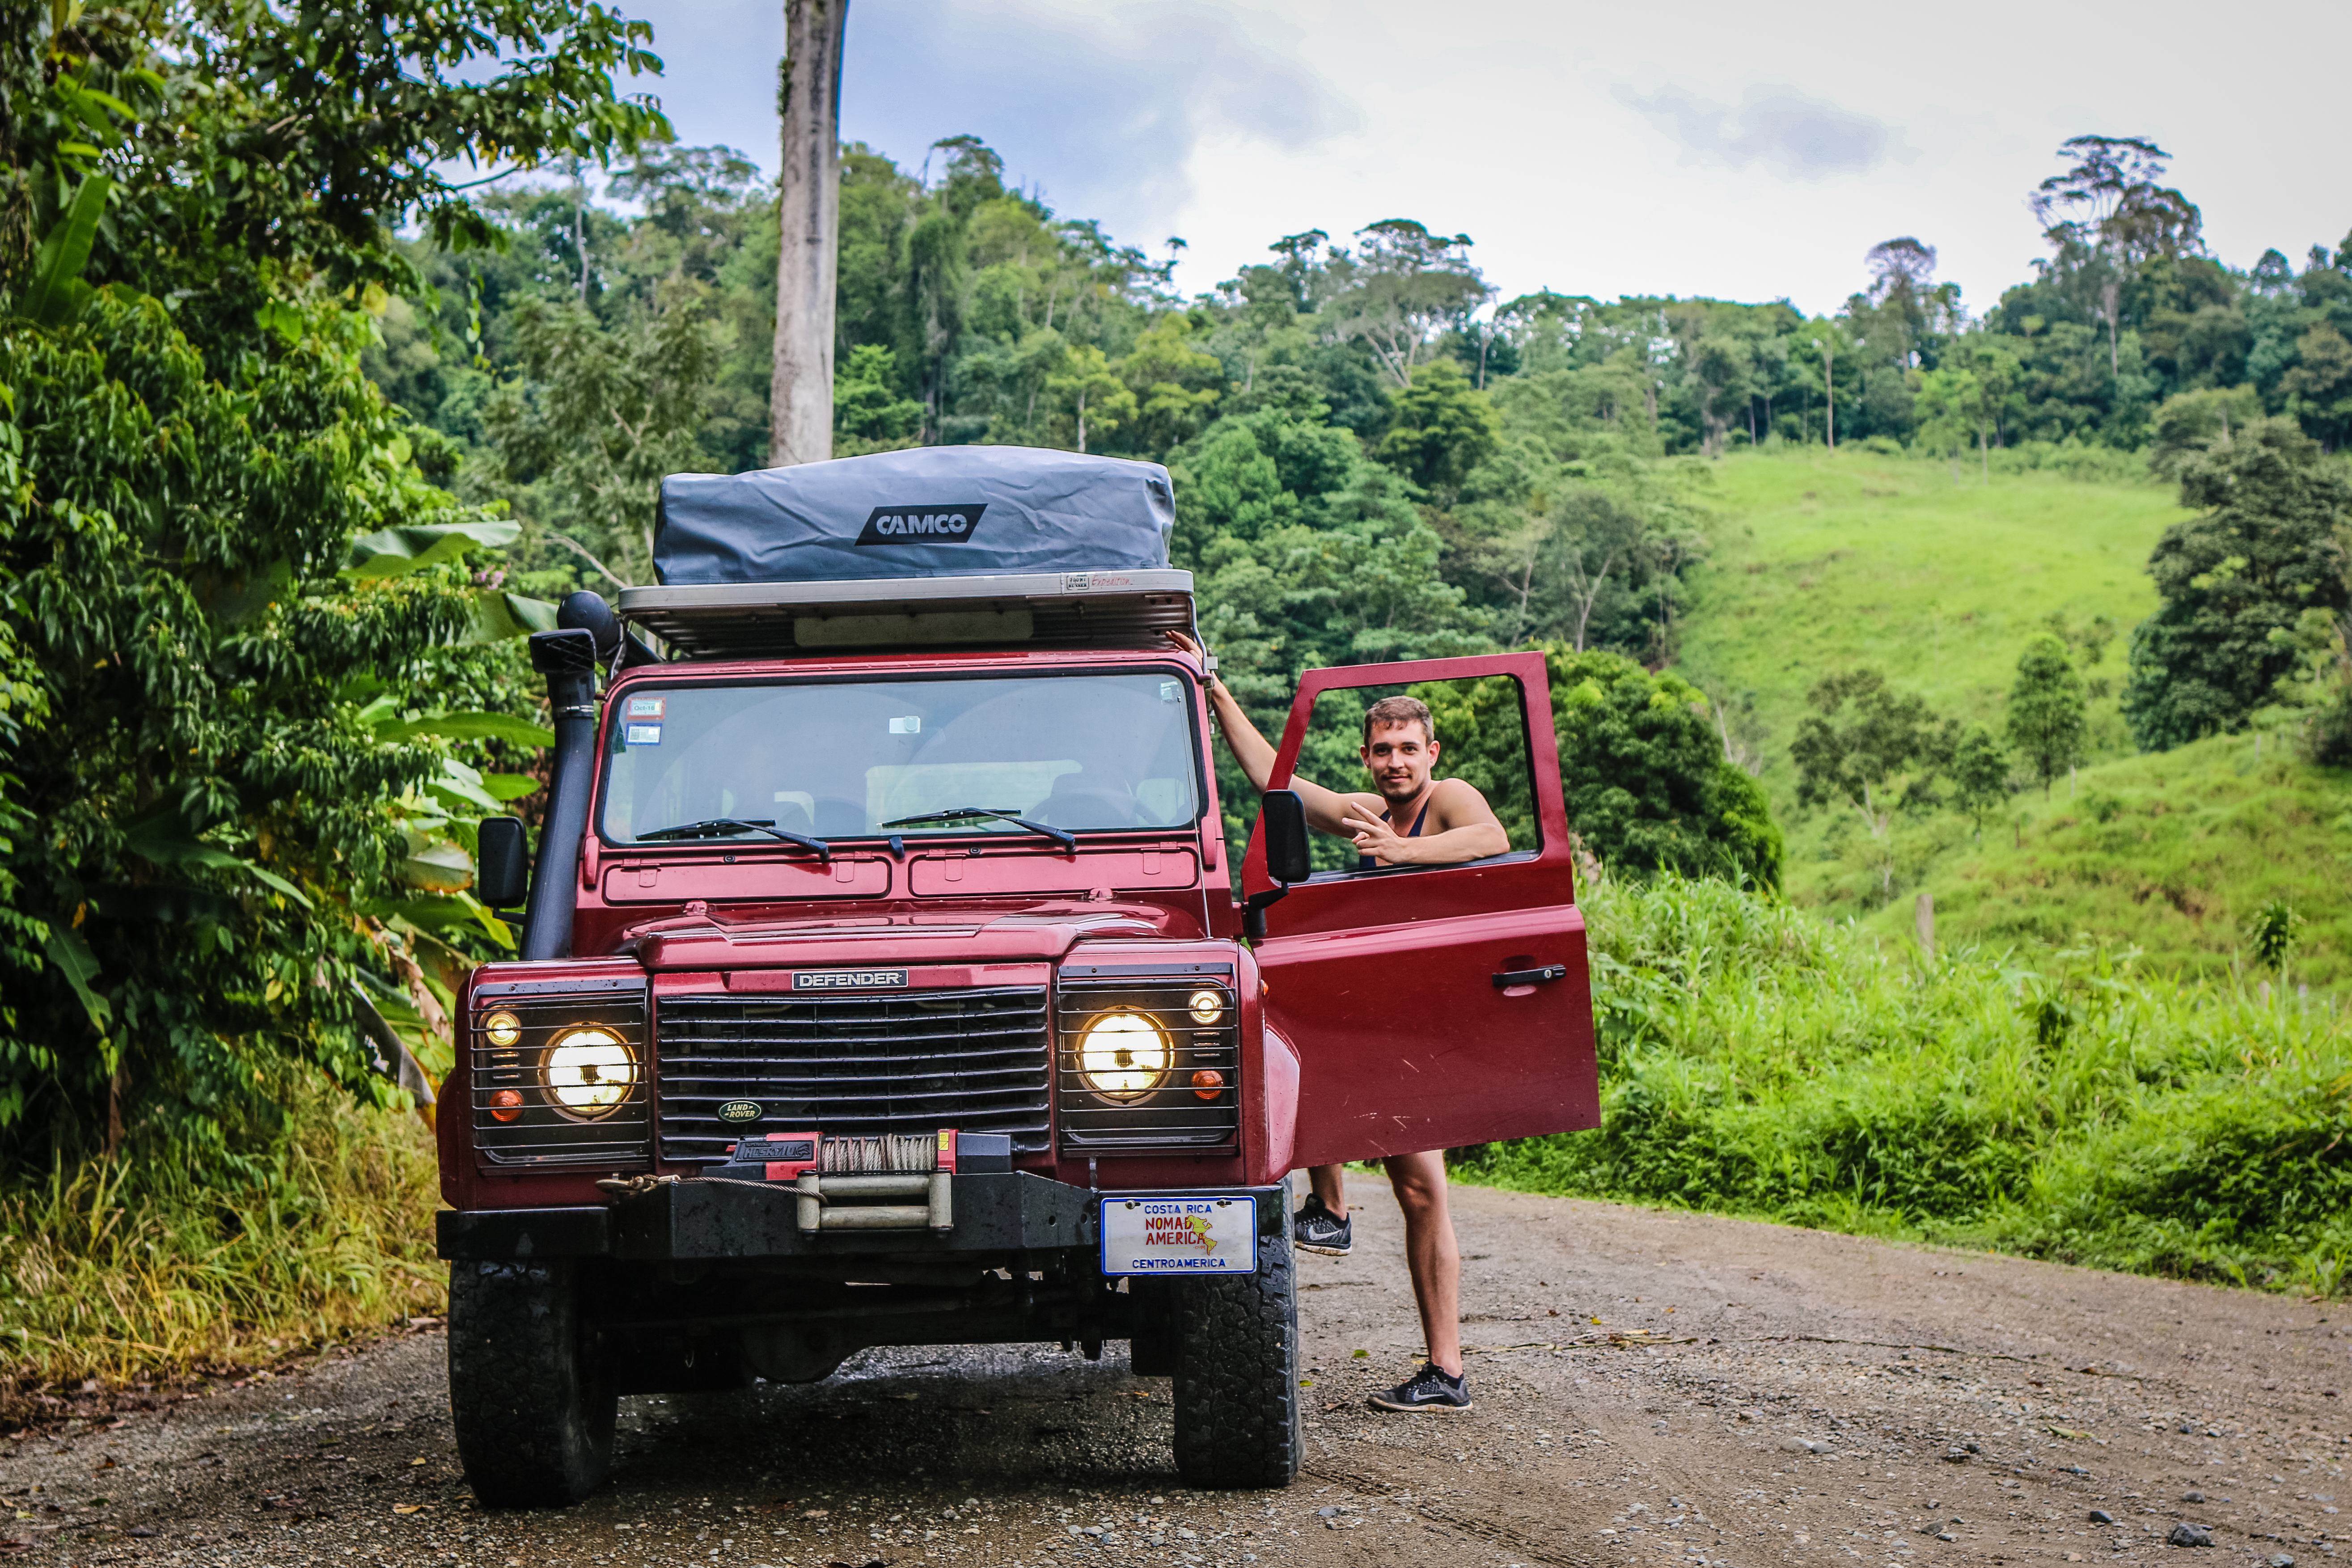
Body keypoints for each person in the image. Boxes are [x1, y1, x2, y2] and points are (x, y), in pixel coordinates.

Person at [1168, 631, 1505, 1413]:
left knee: (1423, 1193)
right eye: (1383, 750)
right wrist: (1215, 692)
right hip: (1368, 1021)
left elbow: (1490, 840)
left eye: (1408, 749)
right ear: (1367, 757)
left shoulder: (1444, 801)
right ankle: (1333, 1209)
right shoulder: (1362, 814)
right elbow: (1270, 780)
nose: (1397, 763)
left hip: (1418, 1032)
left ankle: (1446, 1371)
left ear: (1432, 751)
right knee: (1286, 1025)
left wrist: (1401, 852)